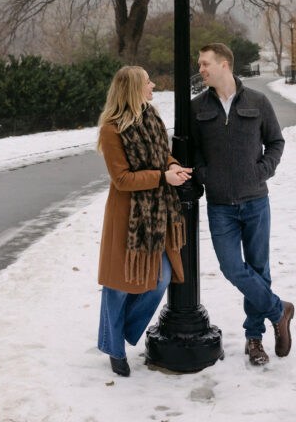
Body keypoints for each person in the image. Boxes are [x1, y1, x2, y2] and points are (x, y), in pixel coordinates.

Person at [190, 43, 293, 367]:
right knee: (233, 268)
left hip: (255, 202)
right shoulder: (196, 108)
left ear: (224, 65)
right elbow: (192, 152)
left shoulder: (258, 102)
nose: (201, 69)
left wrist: (262, 171)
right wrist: (206, 176)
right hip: (220, 205)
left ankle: (254, 339)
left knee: (259, 270)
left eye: (205, 63)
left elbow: (276, 141)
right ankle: (280, 311)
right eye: (200, 64)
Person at [97, 65, 192, 377]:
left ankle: (118, 331)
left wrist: (174, 166)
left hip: (157, 214)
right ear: (133, 89)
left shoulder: (151, 116)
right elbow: (122, 179)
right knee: (118, 287)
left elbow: (162, 154)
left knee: (160, 278)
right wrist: (163, 178)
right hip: (127, 218)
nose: (153, 85)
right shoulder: (111, 129)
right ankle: (114, 348)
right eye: (148, 81)